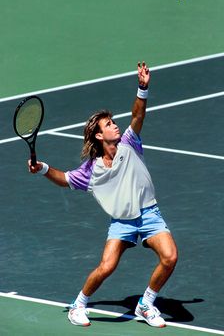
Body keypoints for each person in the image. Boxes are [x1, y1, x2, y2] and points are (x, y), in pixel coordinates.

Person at [28, 62, 178, 328]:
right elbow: (65, 179)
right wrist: (43, 169)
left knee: (170, 257)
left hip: (148, 213)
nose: (115, 126)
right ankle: (79, 305)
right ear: (99, 135)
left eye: (113, 122)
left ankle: (145, 304)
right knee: (106, 267)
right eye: (109, 124)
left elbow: (137, 117)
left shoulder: (129, 143)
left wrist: (142, 89)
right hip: (121, 221)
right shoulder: (91, 170)